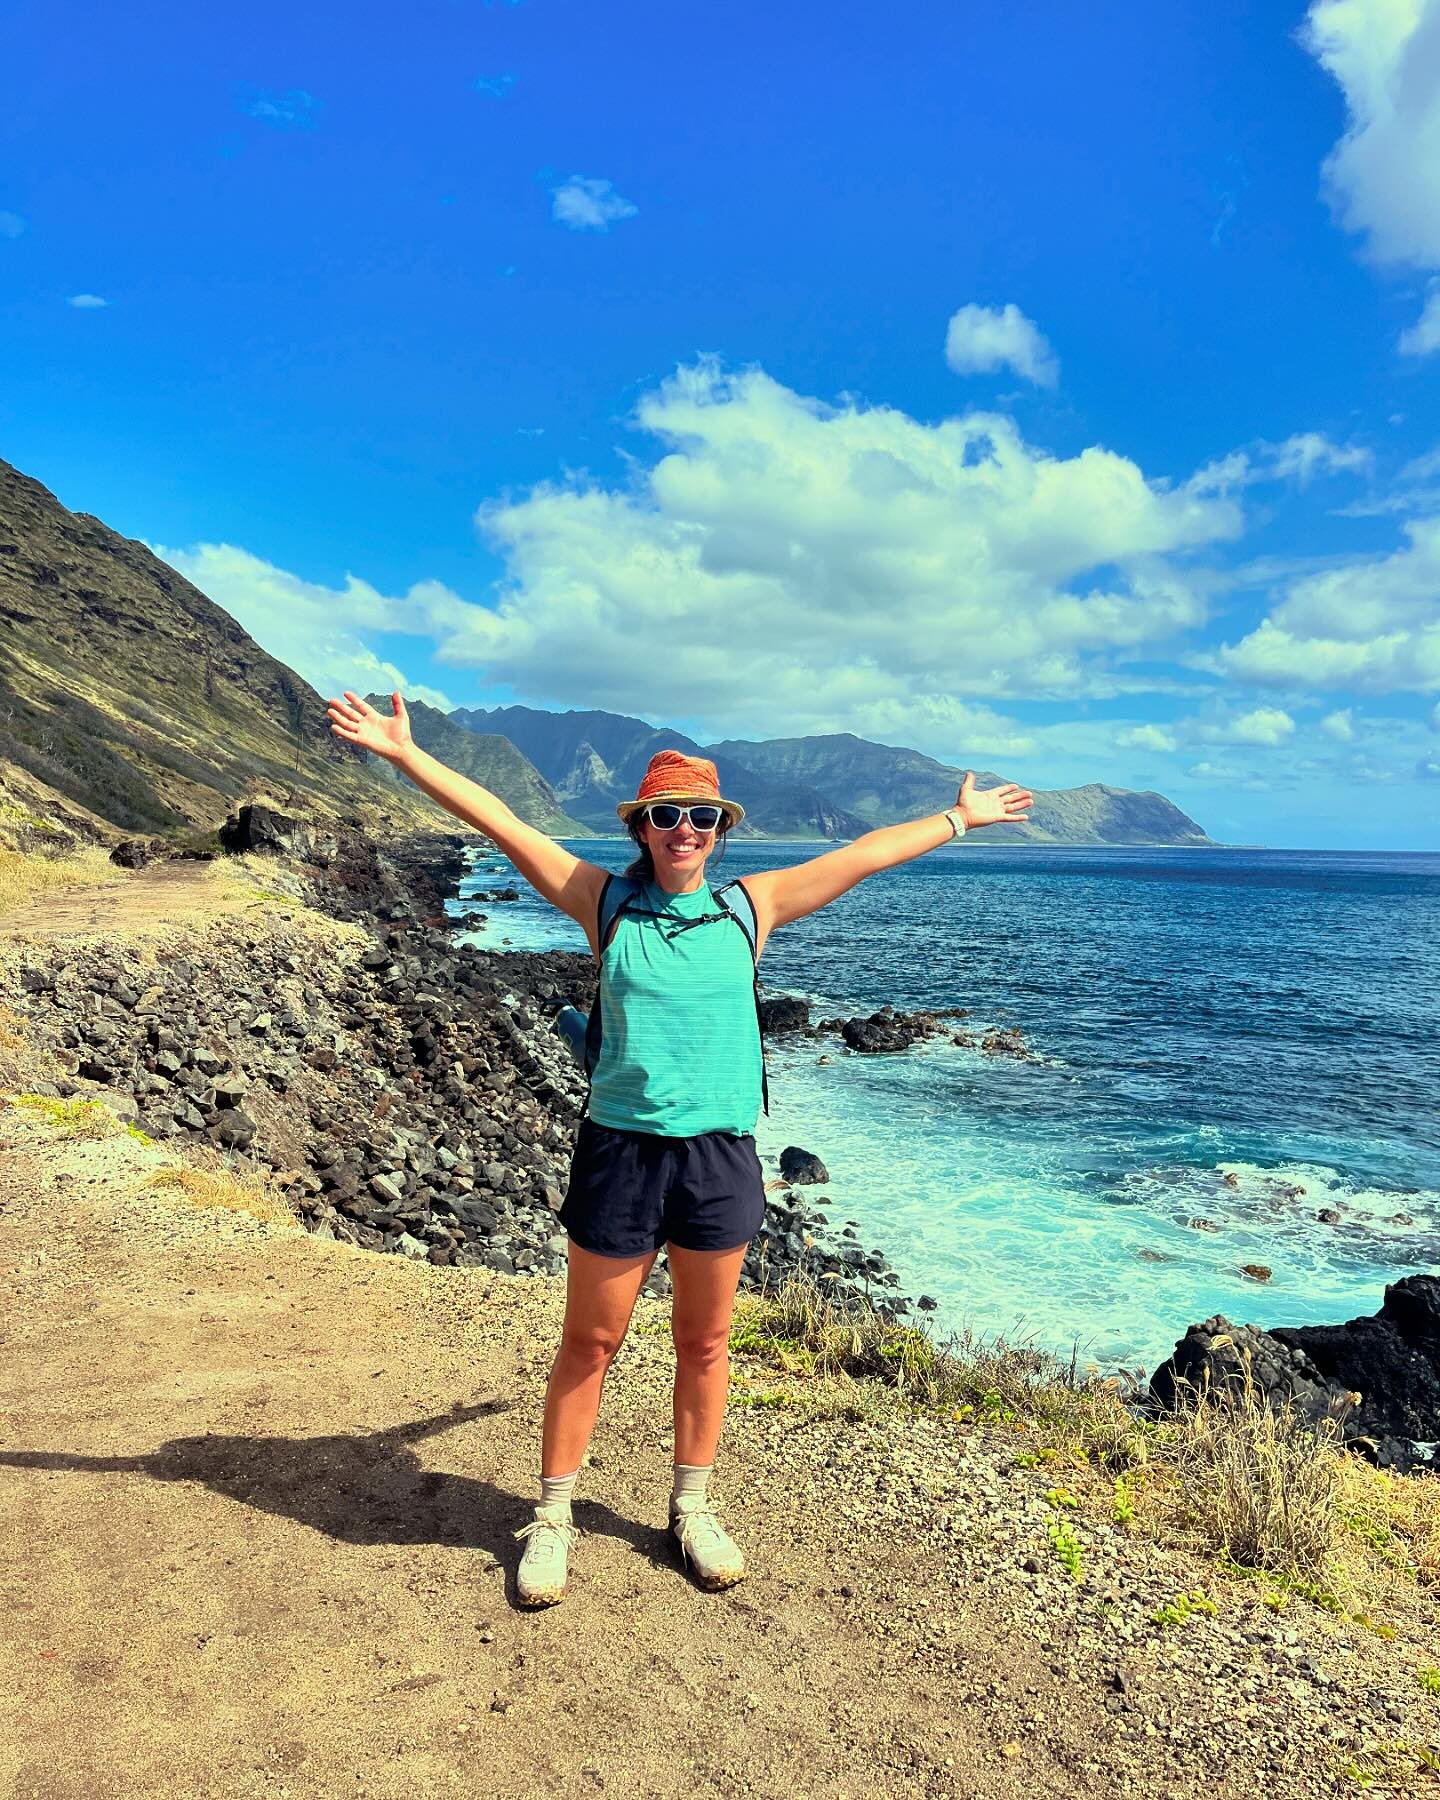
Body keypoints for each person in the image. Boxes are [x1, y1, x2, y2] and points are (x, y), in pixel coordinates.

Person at [325, 690, 1033, 1605]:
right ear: (644, 827)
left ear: (719, 828)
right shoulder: (603, 902)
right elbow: (498, 820)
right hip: (621, 1153)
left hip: (719, 1159)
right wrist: (406, 756)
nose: (684, 829)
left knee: (705, 1343)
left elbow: (860, 856)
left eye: (701, 816)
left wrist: (958, 819)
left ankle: (691, 1509)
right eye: (667, 816)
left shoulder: (751, 910)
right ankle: (551, 1516)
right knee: (591, 1340)